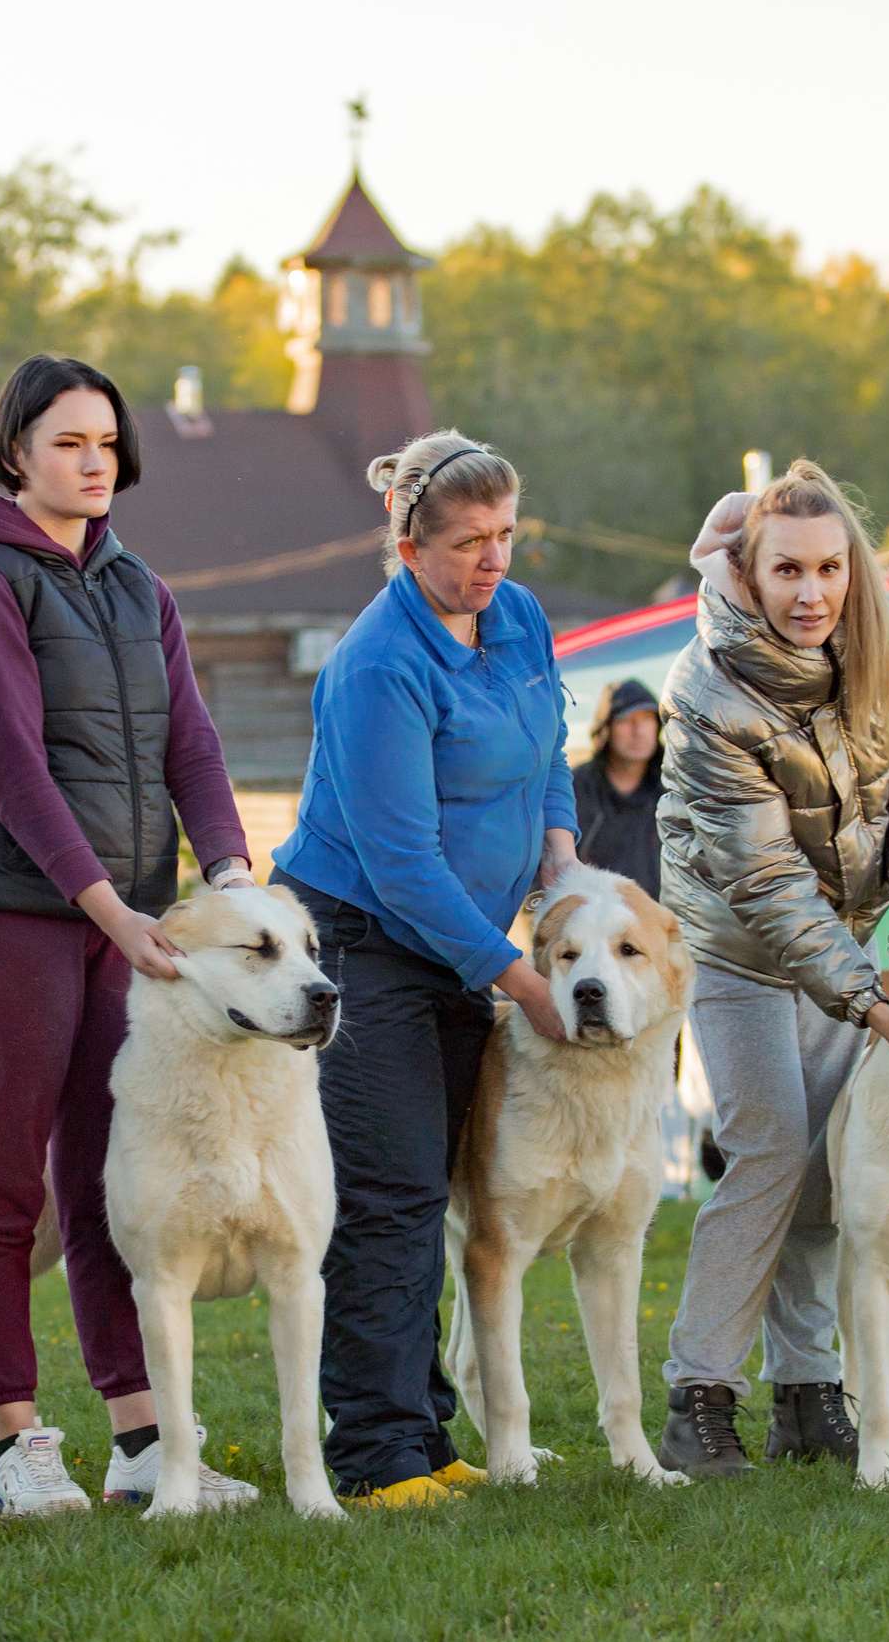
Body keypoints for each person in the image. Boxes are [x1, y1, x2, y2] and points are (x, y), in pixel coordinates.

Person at [0, 355, 259, 1517]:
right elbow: (14, 773)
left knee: (113, 1176)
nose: (93, 462)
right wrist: (109, 907)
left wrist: (227, 872)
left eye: (106, 443)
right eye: (69, 442)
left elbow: (190, 745)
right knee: (2, 1180)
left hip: (127, 922)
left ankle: (141, 1441)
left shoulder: (136, 586)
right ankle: (17, 1443)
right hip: (8, 915)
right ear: (15, 452)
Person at [270, 430, 577, 1508]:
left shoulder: (519, 615)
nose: (493, 560)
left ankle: (427, 1432)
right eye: (467, 543)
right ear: (409, 547)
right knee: (388, 1192)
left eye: (506, 535)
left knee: (432, 1188)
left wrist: (560, 858)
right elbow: (401, 862)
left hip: (462, 945)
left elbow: (548, 751)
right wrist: (522, 982)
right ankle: (376, 1455)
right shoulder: (376, 663)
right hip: (368, 940)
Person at [653, 460, 889, 1480]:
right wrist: (876, 1006)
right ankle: (699, 1395)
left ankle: (808, 1392)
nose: (812, 592)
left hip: (846, 936)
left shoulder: (879, 641)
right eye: (787, 569)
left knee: (827, 1160)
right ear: (749, 569)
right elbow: (767, 882)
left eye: (830, 567)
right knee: (772, 1148)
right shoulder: (705, 687)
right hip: (737, 946)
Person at [572, 677, 665, 897]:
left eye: (647, 718)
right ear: (606, 728)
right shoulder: (574, 789)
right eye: (626, 720)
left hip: (666, 914)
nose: (638, 730)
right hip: (597, 914)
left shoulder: (675, 787)